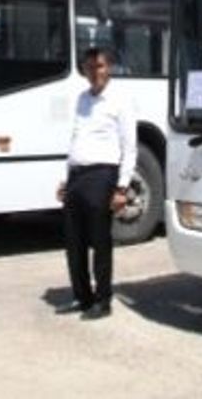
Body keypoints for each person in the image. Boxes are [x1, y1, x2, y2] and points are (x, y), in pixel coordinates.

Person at [55, 47, 136, 320]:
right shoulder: (81, 99)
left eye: (99, 66)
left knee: (100, 241)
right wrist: (66, 180)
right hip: (77, 176)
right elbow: (76, 139)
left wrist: (122, 188)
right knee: (73, 242)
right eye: (89, 68)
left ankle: (103, 301)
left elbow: (130, 148)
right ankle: (82, 296)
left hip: (103, 176)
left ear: (109, 67)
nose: (94, 72)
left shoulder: (120, 101)